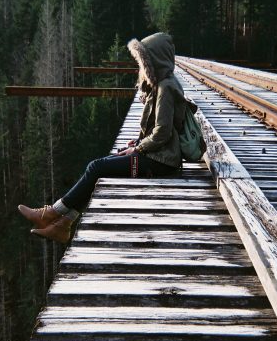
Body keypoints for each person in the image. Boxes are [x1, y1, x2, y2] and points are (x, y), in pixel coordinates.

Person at [18, 32, 186, 243]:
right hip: (159, 157)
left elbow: (162, 132)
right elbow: (158, 129)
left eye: (143, 62)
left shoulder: (165, 89)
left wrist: (138, 149)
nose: (140, 67)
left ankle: (53, 214)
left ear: (155, 61)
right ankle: (63, 224)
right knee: (102, 165)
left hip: (161, 162)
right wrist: (138, 143)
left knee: (96, 167)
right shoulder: (164, 85)